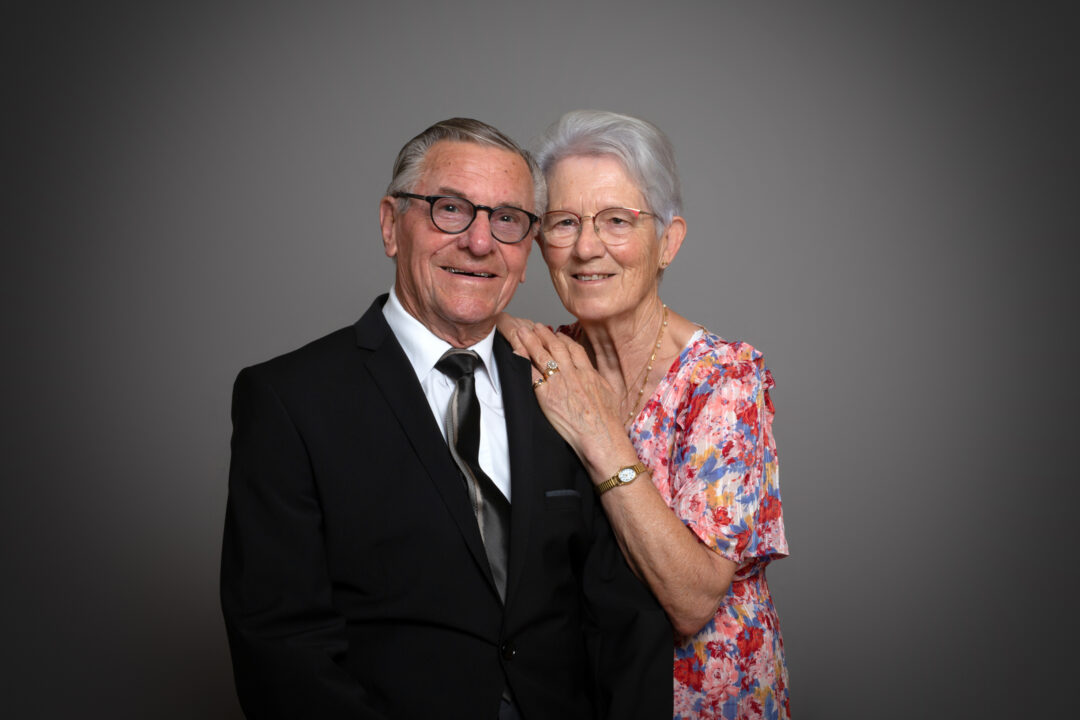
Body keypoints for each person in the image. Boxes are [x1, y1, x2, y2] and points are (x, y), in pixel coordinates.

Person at [220, 117, 672, 719]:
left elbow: (623, 619)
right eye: (449, 209)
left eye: (507, 219)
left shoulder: (563, 383)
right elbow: (281, 646)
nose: (480, 242)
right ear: (390, 225)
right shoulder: (290, 399)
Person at [500, 110, 790, 719]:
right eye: (563, 223)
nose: (585, 248)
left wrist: (602, 434)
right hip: (586, 695)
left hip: (701, 701)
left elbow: (692, 599)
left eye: (616, 221)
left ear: (669, 240)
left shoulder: (726, 378)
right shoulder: (547, 358)